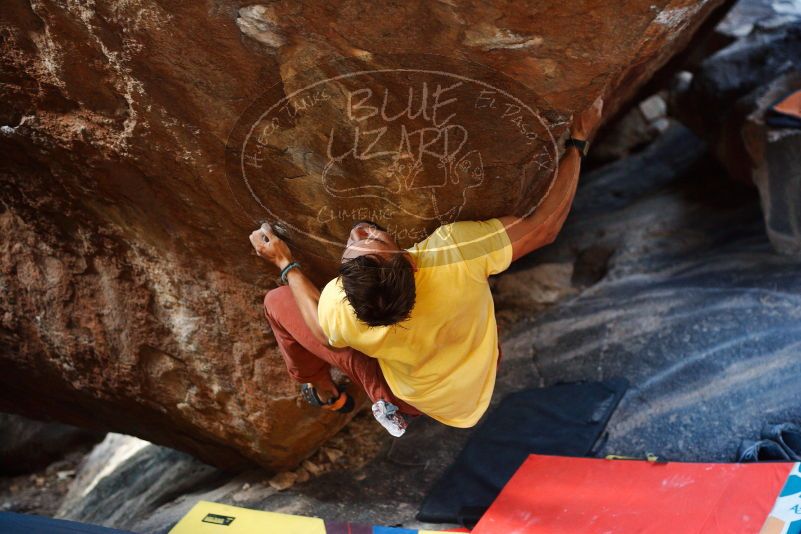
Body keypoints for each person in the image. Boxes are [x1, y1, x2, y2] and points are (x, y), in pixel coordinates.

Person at [250, 97, 604, 436]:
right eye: (363, 243)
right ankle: (360, 392)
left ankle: (324, 388)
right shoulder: (453, 254)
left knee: (277, 302)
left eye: (365, 240)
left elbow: (322, 330)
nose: (358, 231)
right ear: (409, 261)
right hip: (477, 373)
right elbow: (544, 228)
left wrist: (286, 264)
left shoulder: (340, 312)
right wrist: (578, 142)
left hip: (416, 398)